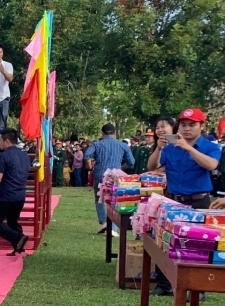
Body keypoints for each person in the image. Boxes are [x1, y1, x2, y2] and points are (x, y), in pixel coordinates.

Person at [152, 109, 221, 295]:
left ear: (202, 126)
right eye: (183, 125)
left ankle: (197, 289)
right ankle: (164, 285)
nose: (187, 129)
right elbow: (155, 167)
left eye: (192, 125)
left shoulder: (210, 147)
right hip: (173, 201)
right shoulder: (169, 147)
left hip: (199, 201)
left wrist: (188, 148)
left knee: (198, 245)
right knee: (166, 242)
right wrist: (159, 147)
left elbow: (211, 165)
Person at [0, 128, 31, 255]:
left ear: (7, 141)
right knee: (12, 222)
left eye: (0, 141)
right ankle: (19, 248)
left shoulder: (4, 156)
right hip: (20, 195)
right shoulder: (25, 156)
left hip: (6, 195)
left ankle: (18, 238)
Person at [84, 123, 135, 233]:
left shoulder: (97, 144)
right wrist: (120, 168)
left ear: (102, 133)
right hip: (115, 175)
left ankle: (103, 222)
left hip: (99, 173)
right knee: (115, 198)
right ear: (114, 133)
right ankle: (114, 227)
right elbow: (131, 162)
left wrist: (89, 166)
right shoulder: (123, 145)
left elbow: (87, 155)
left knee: (99, 197)